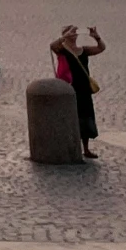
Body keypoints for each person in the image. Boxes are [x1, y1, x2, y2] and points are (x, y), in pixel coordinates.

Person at [50, 24, 106, 159]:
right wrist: (64, 36)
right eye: (72, 33)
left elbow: (101, 48)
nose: (74, 35)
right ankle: (68, 146)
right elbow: (52, 46)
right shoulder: (62, 50)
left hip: (84, 88)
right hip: (69, 87)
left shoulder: (83, 50)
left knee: (85, 117)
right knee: (70, 117)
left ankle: (86, 149)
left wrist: (97, 38)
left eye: (75, 33)